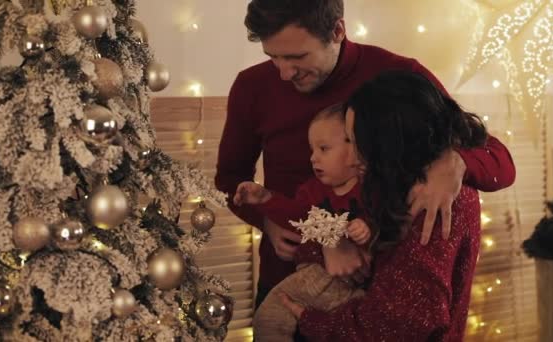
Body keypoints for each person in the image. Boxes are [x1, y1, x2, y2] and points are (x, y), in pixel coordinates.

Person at [215, 0, 516, 309]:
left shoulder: (397, 77)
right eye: (273, 57)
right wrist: (268, 221)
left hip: (376, 292)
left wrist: (456, 162)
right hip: (286, 285)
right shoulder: (251, 86)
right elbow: (228, 179)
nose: (283, 73)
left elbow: (498, 159)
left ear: (337, 30)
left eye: (297, 56)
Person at [280, 70, 493, 341]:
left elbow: (404, 322)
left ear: (390, 142)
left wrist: (311, 321)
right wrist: (328, 246)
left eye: (358, 143)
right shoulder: (390, 184)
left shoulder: (434, 200)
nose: (353, 156)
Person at [233, 106, 373, 342]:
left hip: (357, 284)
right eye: (312, 150)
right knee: (269, 317)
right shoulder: (312, 191)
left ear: (356, 149)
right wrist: (265, 198)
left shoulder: (370, 188)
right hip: (312, 276)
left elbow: (388, 221)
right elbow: (298, 218)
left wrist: (367, 226)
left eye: (324, 149)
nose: (313, 157)